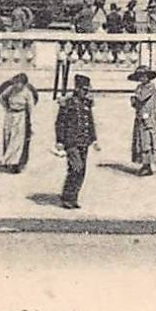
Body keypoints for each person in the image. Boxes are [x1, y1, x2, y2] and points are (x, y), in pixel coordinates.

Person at [55, 74, 99, 210]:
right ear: (77, 89)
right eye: (84, 90)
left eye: (88, 90)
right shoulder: (68, 103)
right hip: (71, 141)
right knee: (76, 168)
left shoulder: (86, 104)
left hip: (83, 141)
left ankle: (72, 198)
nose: (86, 93)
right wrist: (60, 140)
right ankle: (67, 197)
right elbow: (60, 123)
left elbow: (90, 122)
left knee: (81, 171)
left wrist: (94, 139)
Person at [0, 72, 37, 172]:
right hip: (10, 114)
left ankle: (15, 163)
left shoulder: (27, 93)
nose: (16, 85)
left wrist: (31, 122)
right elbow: (2, 97)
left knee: (17, 139)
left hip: (21, 116)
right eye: (15, 82)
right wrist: (6, 107)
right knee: (8, 136)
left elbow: (31, 108)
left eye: (19, 83)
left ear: (23, 84)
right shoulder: (11, 89)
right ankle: (7, 161)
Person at [128, 66, 156, 176]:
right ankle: (143, 164)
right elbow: (135, 102)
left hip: (147, 116)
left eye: (144, 76)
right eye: (140, 77)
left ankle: (147, 165)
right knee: (140, 139)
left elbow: (140, 98)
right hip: (140, 115)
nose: (142, 78)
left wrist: (135, 98)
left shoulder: (150, 87)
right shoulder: (139, 87)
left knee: (147, 139)